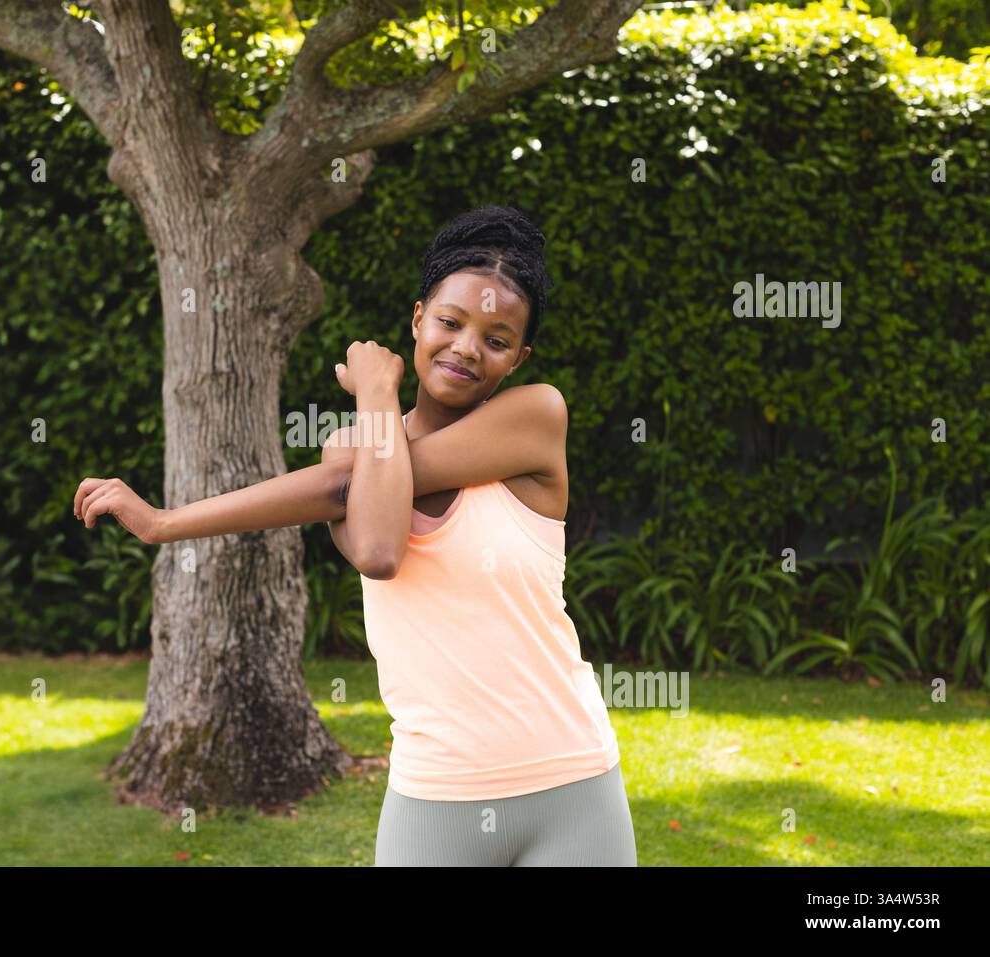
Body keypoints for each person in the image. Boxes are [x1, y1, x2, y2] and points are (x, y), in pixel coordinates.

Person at [73, 204, 636, 867]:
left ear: (520, 356)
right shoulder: (355, 456)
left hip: (572, 783)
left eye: (497, 337)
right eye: (451, 322)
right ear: (418, 319)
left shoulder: (535, 416)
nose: (466, 348)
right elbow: (377, 542)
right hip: (435, 792)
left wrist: (375, 390)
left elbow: (365, 521)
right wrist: (164, 523)